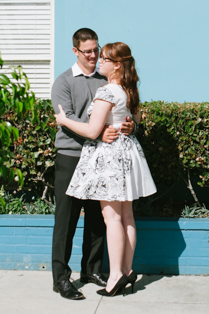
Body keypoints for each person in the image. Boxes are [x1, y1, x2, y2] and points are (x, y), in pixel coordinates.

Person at [55, 42, 157, 297]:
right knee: (127, 217)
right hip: (127, 155)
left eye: (104, 59)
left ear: (117, 65)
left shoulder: (108, 90)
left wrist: (63, 120)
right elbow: (136, 117)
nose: (99, 61)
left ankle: (114, 277)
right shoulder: (129, 89)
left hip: (110, 159)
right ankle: (127, 270)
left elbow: (92, 130)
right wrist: (129, 125)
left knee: (112, 219)